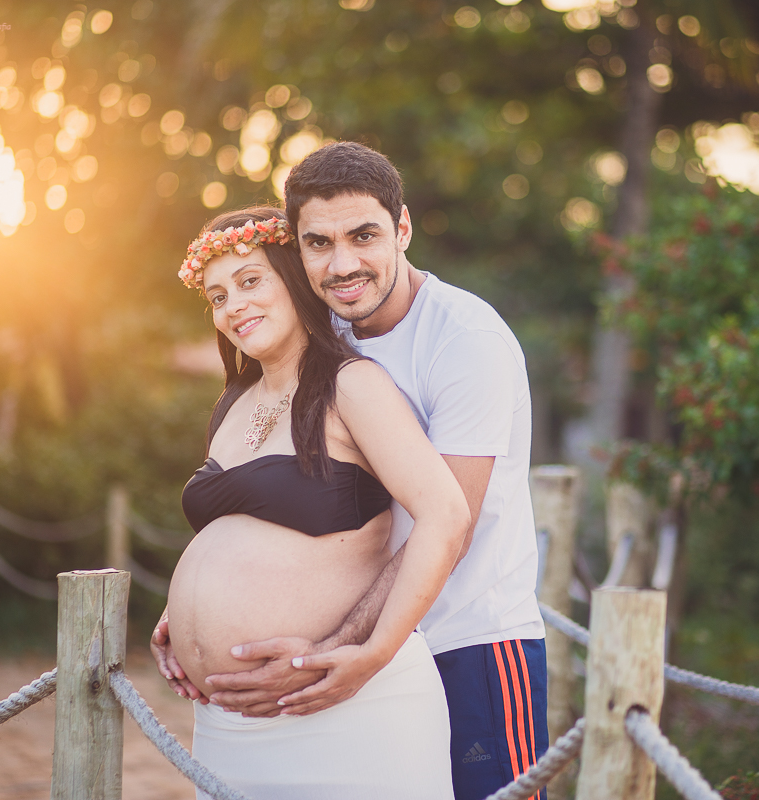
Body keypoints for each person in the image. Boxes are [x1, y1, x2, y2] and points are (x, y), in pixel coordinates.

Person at [173, 142, 551, 800]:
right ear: (299, 250)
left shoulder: (465, 341)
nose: (344, 263)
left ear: (402, 229)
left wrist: (355, 648)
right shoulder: (324, 339)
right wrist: (189, 613)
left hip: (468, 639)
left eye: (365, 236)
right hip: (349, 658)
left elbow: (448, 524)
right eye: (320, 243)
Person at [157, 206, 469, 799]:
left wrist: (370, 654)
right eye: (218, 296)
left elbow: (446, 517)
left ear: (293, 277)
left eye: (251, 282)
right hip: (230, 724)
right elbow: (245, 533)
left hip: (348, 709)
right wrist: (184, 617)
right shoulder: (233, 402)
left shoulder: (352, 385)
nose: (233, 307)